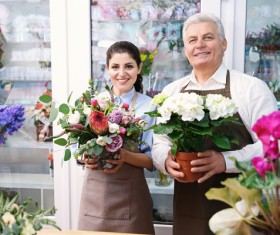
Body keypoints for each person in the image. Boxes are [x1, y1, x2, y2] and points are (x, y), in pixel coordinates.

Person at [152, 13, 278, 235]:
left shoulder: (251, 89)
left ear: (224, 43)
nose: (199, 45)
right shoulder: (171, 92)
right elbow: (160, 141)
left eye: (207, 37)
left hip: (242, 210)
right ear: (185, 50)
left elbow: (273, 147)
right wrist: (165, 160)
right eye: (192, 40)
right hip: (187, 208)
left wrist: (225, 161)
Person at [78, 41, 155, 234]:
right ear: (107, 69)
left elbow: (152, 160)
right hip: (95, 196)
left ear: (139, 68)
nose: (122, 73)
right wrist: (84, 157)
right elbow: (77, 151)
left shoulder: (150, 107)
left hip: (132, 199)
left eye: (128, 66)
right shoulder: (93, 104)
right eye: (115, 67)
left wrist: (124, 156)